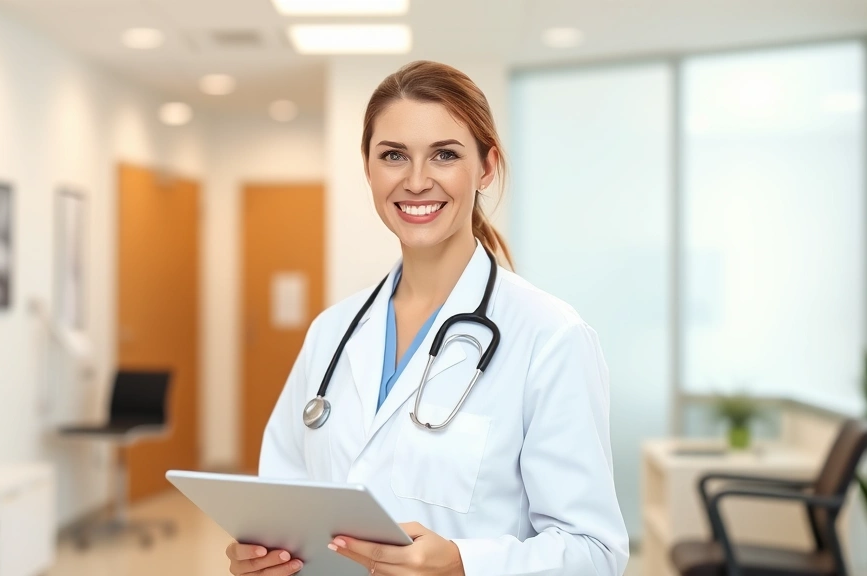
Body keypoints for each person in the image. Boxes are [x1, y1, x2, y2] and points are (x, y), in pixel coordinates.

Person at [226, 60, 629, 576]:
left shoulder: (550, 336)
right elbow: (281, 500)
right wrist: (263, 557)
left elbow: (595, 552)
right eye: (393, 155)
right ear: (368, 168)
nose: (416, 181)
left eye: (444, 155)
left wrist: (465, 565)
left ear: (486, 167)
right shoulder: (332, 332)